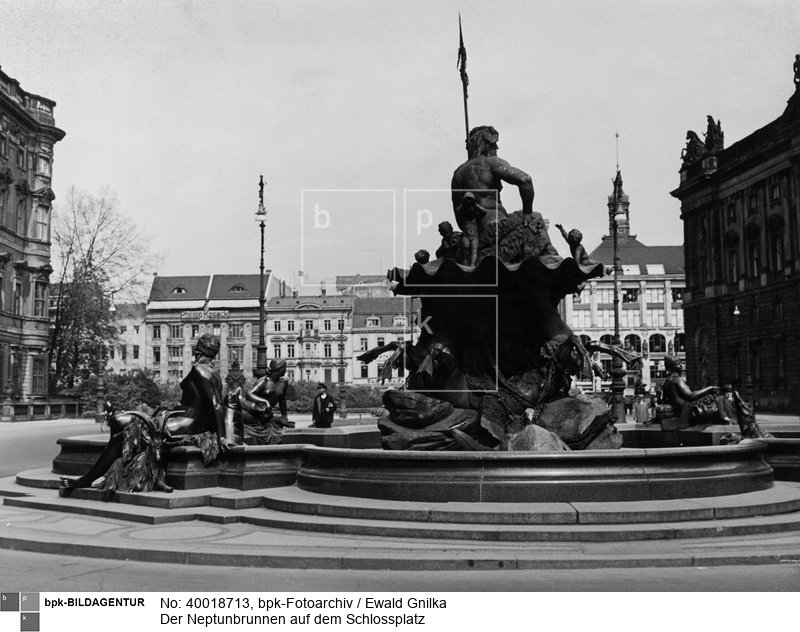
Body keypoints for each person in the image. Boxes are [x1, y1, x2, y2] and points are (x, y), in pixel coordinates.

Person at [59, 334, 230, 495]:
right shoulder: (212, 371)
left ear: (198, 349)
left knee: (123, 436)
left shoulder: (200, 370)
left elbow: (216, 404)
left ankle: (86, 479)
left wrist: (222, 437)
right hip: (183, 418)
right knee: (121, 422)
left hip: (186, 423)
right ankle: (112, 472)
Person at [659, 355, 770, 438]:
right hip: (688, 410)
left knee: (719, 399)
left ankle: (732, 420)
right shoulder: (677, 380)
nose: (681, 366)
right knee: (720, 398)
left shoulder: (667, 382)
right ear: (673, 366)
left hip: (682, 410)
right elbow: (690, 396)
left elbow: (663, 399)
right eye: (678, 363)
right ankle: (741, 425)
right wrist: (709, 388)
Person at [451, 125, 535, 230]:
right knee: (536, 217)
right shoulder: (491, 162)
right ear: (485, 144)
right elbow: (525, 180)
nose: (496, 148)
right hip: (497, 221)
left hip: (473, 229)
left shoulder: (457, 173)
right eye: (494, 144)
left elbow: (458, 211)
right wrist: (527, 212)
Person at [236, 359, 291, 444]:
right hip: (253, 411)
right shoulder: (264, 381)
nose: (286, 370)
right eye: (285, 368)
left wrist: (284, 416)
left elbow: (282, 400)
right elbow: (249, 394)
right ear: (279, 369)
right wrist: (265, 401)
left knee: (276, 422)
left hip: (265, 414)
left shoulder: (283, 383)